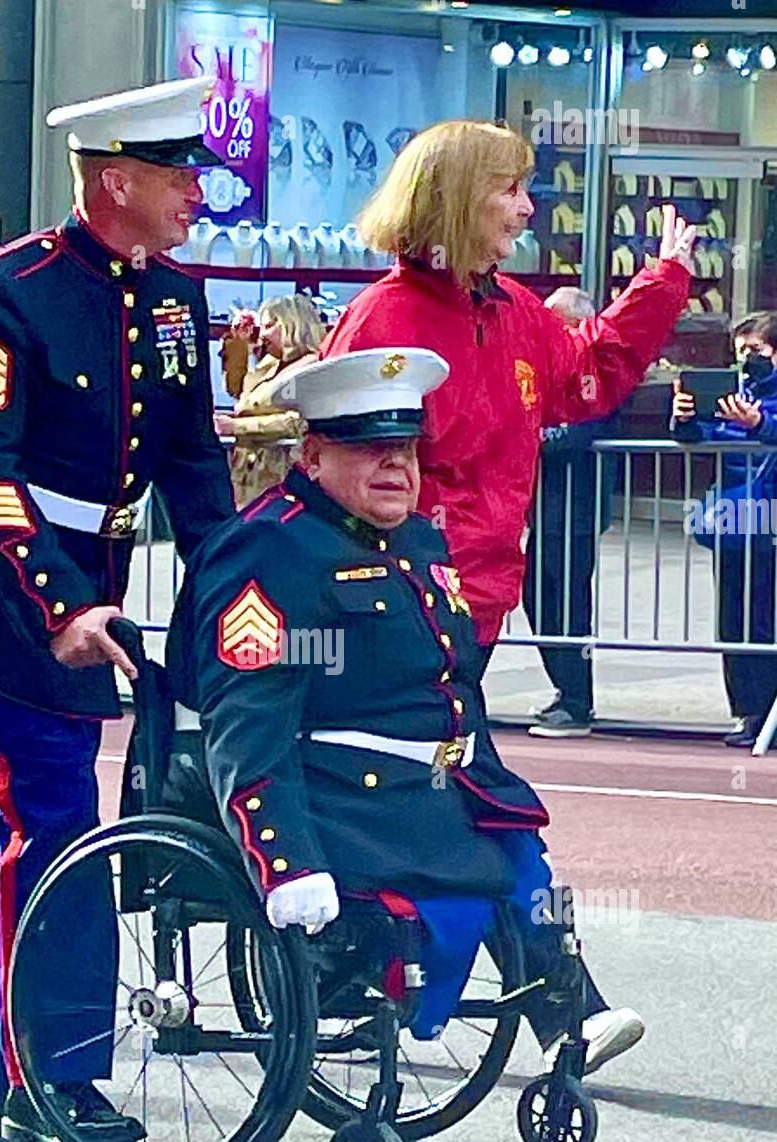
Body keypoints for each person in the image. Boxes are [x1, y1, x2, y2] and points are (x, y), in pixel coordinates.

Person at [0, 77, 234, 1142]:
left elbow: (192, 466)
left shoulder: (173, 297)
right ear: (113, 178)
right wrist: (63, 607)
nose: (197, 195)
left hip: (82, 599)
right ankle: (56, 1082)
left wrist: (234, 593)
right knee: (52, 824)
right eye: (179, 176)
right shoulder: (1, 293)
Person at [168, 349, 643, 1075]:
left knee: (522, 850)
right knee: (489, 862)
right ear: (315, 455)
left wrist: (488, 778)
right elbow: (247, 713)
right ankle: (545, 1012)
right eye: (370, 450)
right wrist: (283, 860)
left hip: (427, 788)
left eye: (405, 449)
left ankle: (568, 1015)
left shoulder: (416, 540)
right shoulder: (269, 548)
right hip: (334, 799)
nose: (395, 467)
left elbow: (451, 681)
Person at [320, 120, 696, 663]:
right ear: (458, 199)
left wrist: (660, 287)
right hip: (399, 595)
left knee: (453, 740)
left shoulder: (514, 310)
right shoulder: (383, 319)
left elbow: (588, 370)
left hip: (479, 595)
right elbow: (346, 469)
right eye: (510, 189)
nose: (526, 209)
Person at [671, 310, 777, 748]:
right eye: (741, 350)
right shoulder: (735, 392)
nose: (748, 359)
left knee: (767, 620)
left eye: (758, 350)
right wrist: (685, 418)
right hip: (737, 524)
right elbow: (699, 435)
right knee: (734, 620)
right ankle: (749, 711)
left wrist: (762, 424)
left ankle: (769, 713)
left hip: (770, 522)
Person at [524, 288, 617, 737]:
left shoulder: (595, 372)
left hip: (576, 510)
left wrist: (526, 436)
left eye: (552, 323)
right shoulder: (548, 372)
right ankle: (567, 690)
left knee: (569, 605)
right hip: (545, 509)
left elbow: (576, 436)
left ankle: (578, 700)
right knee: (538, 598)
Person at [214, 294, 326, 507]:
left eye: (269, 326)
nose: (263, 334)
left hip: (280, 475)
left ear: (293, 325)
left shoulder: (309, 367)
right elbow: (236, 390)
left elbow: (298, 422)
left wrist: (236, 427)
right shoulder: (269, 363)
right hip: (247, 473)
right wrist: (239, 344)